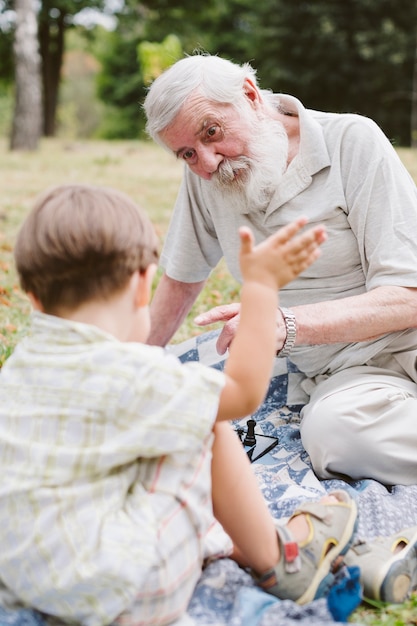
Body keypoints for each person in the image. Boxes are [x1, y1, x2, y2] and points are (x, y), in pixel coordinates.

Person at [0, 182, 366, 626]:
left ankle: (221, 539)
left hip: (24, 583)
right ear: (141, 287)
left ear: (33, 298)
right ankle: (281, 559)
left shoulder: (18, 367)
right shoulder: (131, 374)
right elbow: (244, 392)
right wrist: (262, 289)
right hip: (127, 596)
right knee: (203, 424)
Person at [143, 53, 417, 490]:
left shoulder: (351, 140)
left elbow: (410, 296)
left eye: (211, 132)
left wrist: (286, 324)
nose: (208, 162)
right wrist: (124, 364)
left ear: (250, 96)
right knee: (334, 438)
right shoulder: (206, 178)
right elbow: (181, 279)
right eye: (187, 153)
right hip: (348, 374)